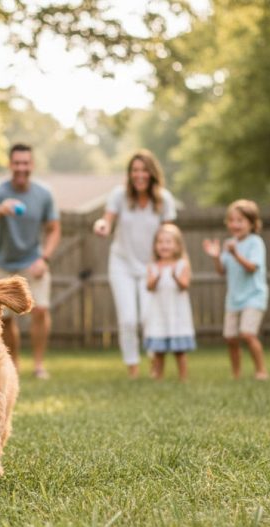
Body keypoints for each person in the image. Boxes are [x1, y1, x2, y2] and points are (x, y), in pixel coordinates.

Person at [0, 143, 61, 379]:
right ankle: (12, 365)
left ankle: (38, 365)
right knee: (3, 318)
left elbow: (54, 229)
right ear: (10, 165)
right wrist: (0, 209)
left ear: (32, 165)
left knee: (41, 309)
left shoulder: (43, 194)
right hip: (0, 263)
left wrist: (44, 258)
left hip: (32, 260)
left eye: (25, 163)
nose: (21, 168)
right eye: (17, 163)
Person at [93, 149, 177, 378]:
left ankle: (154, 363)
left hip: (151, 267)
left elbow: (170, 233)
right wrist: (102, 225)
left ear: (152, 173)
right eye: (135, 171)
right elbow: (107, 219)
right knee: (128, 319)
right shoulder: (119, 196)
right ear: (130, 174)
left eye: (144, 170)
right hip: (122, 265)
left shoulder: (164, 200)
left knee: (148, 318)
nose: (139, 175)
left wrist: (166, 265)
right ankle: (132, 367)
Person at [202, 199, 270, 380]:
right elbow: (221, 271)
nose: (235, 224)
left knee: (247, 334)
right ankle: (236, 374)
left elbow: (252, 268)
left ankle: (261, 371)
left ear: (252, 223)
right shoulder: (229, 243)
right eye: (231, 220)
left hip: (254, 296)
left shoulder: (255, 242)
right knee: (231, 338)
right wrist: (216, 257)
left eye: (240, 220)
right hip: (233, 298)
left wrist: (235, 254)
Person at [144, 224, 196, 381]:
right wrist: (157, 277)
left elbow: (184, 285)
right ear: (155, 246)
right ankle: (158, 376)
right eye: (160, 242)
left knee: (179, 351)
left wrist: (174, 276)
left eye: (168, 242)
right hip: (159, 312)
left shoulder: (182, 264)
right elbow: (149, 287)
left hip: (176, 312)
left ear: (177, 245)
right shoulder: (153, 266)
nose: (163, 245)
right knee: (158, 350)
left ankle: (183, 377)